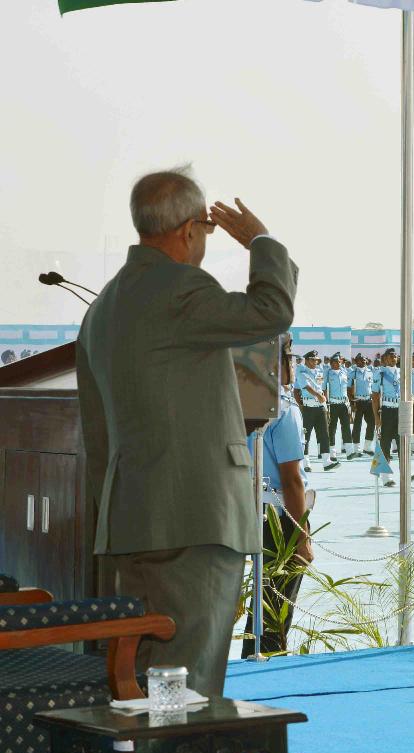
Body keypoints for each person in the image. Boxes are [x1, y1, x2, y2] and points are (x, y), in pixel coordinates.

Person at [77, 169, 296, 700]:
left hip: (130, 523)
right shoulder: (180, 288)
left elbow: (97, 436)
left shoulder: (103, 307)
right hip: (193, 521)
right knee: (187, 685)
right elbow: (271, 311)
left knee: (141, 683)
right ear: (188, 230)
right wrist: (261, 241)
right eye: (206, 228)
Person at [243, 338, 313, 658]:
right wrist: (302, 536)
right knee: (275, 604)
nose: (293, 364)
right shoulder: (283, 408)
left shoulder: (240, 402)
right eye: (290, 357)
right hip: (278, 516)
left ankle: (251, 657)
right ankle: (266, 662)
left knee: (260, 601)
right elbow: (292, 479)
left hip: (247, 506)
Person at [295, 350, 327, 470]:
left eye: (317, 360)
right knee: (306, 435)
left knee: (324, 433)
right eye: (313, 360)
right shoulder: (302, 372)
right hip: (308, 407)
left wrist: (323, 398)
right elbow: (306, 387)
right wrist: (318, 396)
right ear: (307, 360)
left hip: (320, 406)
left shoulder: (319, 371)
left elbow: (319, 386)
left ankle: (327, 461)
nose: (315, 362)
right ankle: (306, 462)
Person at [323, 352, 352, 467]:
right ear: (331, 363)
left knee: (346, 427)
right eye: (335, 362)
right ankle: (332, 453)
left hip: (343, 403)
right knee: (332, 428)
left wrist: (348, 403)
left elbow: (346, 388)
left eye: (339, 362)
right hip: (333, 404)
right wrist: (326, 404)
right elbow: (324, 388)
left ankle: (349, 451)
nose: (338, 363)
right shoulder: (328, 373)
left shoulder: (344, 372)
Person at [349, 353, 376, 457]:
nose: (363, 361)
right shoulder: (353, 373)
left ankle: (367, 447)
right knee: (357, 425)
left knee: (372, 423)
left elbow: (372, 387)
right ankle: (357, 449)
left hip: (368, 401)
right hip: (358, 401)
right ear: (356, 362)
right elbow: (349, 389)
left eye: (364, 360)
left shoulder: (370, 372)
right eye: (360, 360)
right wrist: (352, 403)